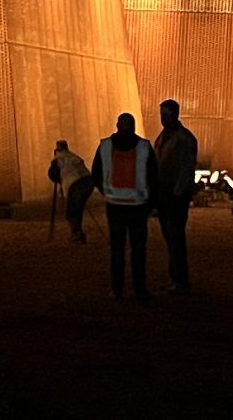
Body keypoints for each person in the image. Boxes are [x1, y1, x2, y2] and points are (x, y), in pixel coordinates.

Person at [90, 112, 158, 302]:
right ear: (134, 126)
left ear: (117, 125)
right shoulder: (144, 147)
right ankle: (139, 289)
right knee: (138, 250)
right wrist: (152, 204)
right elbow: (153, 176)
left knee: (117, 250)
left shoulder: (105, 146)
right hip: (138, 206)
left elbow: (95, 173)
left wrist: (106, 192)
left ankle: (116, 289)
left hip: (114, 205)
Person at [153, 99, 199, 294]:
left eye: (166, 114)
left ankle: (179, 280)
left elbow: (186, 169)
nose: (163, 118)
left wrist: (178, 194)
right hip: (166, 195)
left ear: (175, 114)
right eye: (162, 115)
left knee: (175, 237)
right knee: (171, 237)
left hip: (174, 197)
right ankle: (176, 278)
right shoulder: (167, 137)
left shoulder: (182, 139)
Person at [47, 140, 94, 244]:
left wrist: (60, 180)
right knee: (78, 209)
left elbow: (52, 174)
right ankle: (78, 232)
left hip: (74, 184)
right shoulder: (73, 156)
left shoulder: (58, 158)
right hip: (88, 181)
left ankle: (76, 234)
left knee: (70, 212)